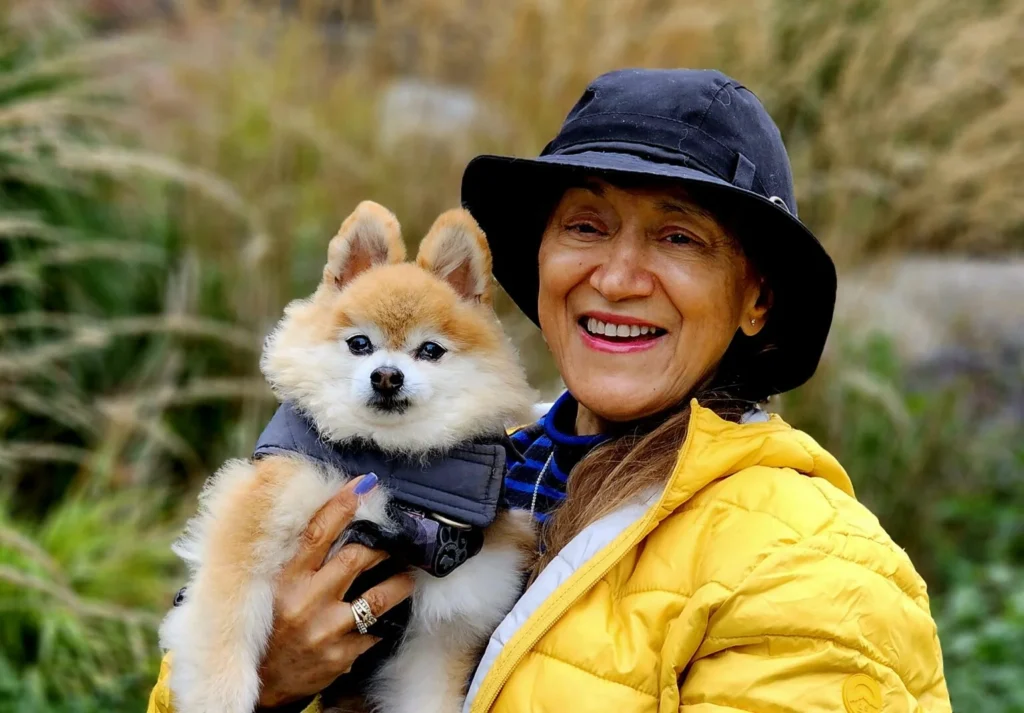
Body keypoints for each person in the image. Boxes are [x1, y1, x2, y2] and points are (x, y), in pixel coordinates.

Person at [148, 68, 952, 713]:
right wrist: (270, 679)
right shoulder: (462, 463)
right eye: (586, 226)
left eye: (678, 236)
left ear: (758, 300)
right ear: (539, 264)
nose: (617, 276)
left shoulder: (814, 569)